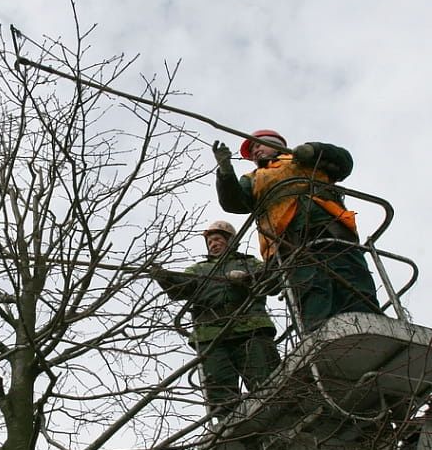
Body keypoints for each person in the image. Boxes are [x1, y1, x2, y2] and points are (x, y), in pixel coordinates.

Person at [212, 129, 381, 332]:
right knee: (311, 289)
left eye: (259, 145)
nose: (256, 151)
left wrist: (313, 149)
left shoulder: (302, 159)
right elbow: (234, 203)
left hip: (331, 230)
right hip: (289, 244)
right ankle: (319, 334)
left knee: (352, 280)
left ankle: (372, 325)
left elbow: (343, 162)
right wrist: (225, 171)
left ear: (276, 144)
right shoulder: (253, 179)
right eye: (252, 150)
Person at [151, 221, 280, 419]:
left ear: (231, 241)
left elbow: (272, 283)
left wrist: (247, 279)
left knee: (267, 383)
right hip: (211, 336)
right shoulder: (198, 270)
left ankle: (276, 422)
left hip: (250, 328)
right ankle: (235, 432)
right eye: (210, 241)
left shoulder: (249, 263)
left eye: (218, 239)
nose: (213, 244)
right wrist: (164, 276)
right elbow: (180, 288)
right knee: (221, 395)